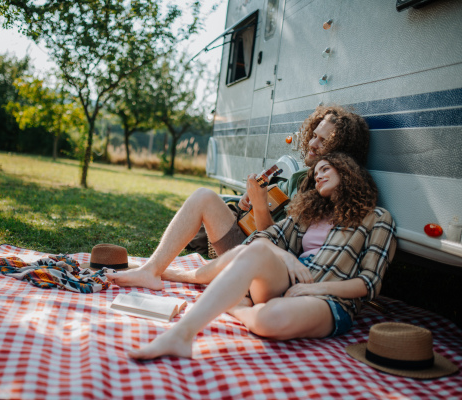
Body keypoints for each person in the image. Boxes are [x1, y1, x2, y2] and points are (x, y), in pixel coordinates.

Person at [127, 153, 397, 359]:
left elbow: (370, 284)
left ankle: (238, 306)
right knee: (255, 248)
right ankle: (181, 334)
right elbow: (262, 238)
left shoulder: (377, 218)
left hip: (331, 299)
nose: (318, 175)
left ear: (348, 172)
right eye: (316, 173)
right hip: (288, 280)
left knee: (270, 320)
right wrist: (289, 259)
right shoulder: (308, 214)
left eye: (326, 168)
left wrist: (312, 288)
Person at [108, 105, 370, 290]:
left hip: (263, 260)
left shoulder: (323, 189)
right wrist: (250, 203)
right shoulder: (299, 177)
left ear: (339, 151)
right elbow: (263, 219)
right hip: (248, 240)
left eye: (323, 141)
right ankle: (153, 269)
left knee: (205, 201)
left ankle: (156, 270)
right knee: (205, 196)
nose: (312, 143)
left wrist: (258, 204)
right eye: (314, 135)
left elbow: (275, 245)